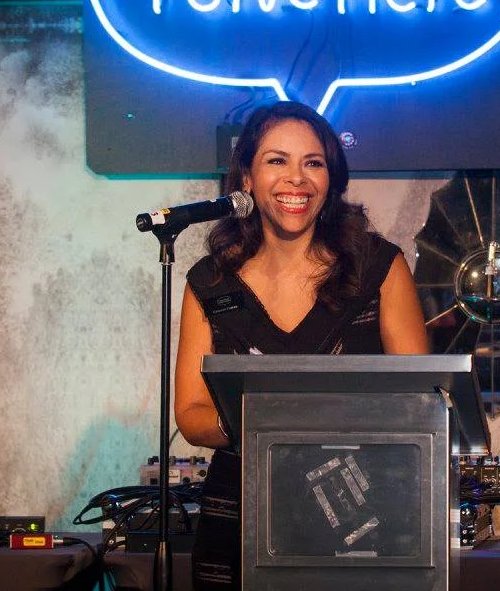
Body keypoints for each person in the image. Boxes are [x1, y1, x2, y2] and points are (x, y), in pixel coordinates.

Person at [174, 101, 429, 589]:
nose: (297, 179)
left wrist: (274, 417)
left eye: (313, 163)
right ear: (246, 178)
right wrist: (294, 420)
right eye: (276, 161)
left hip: (364, 517)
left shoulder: (380, 269)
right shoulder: (210, 283)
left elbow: (420, 406)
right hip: (240, 516)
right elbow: (190, 414)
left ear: (330, 178)